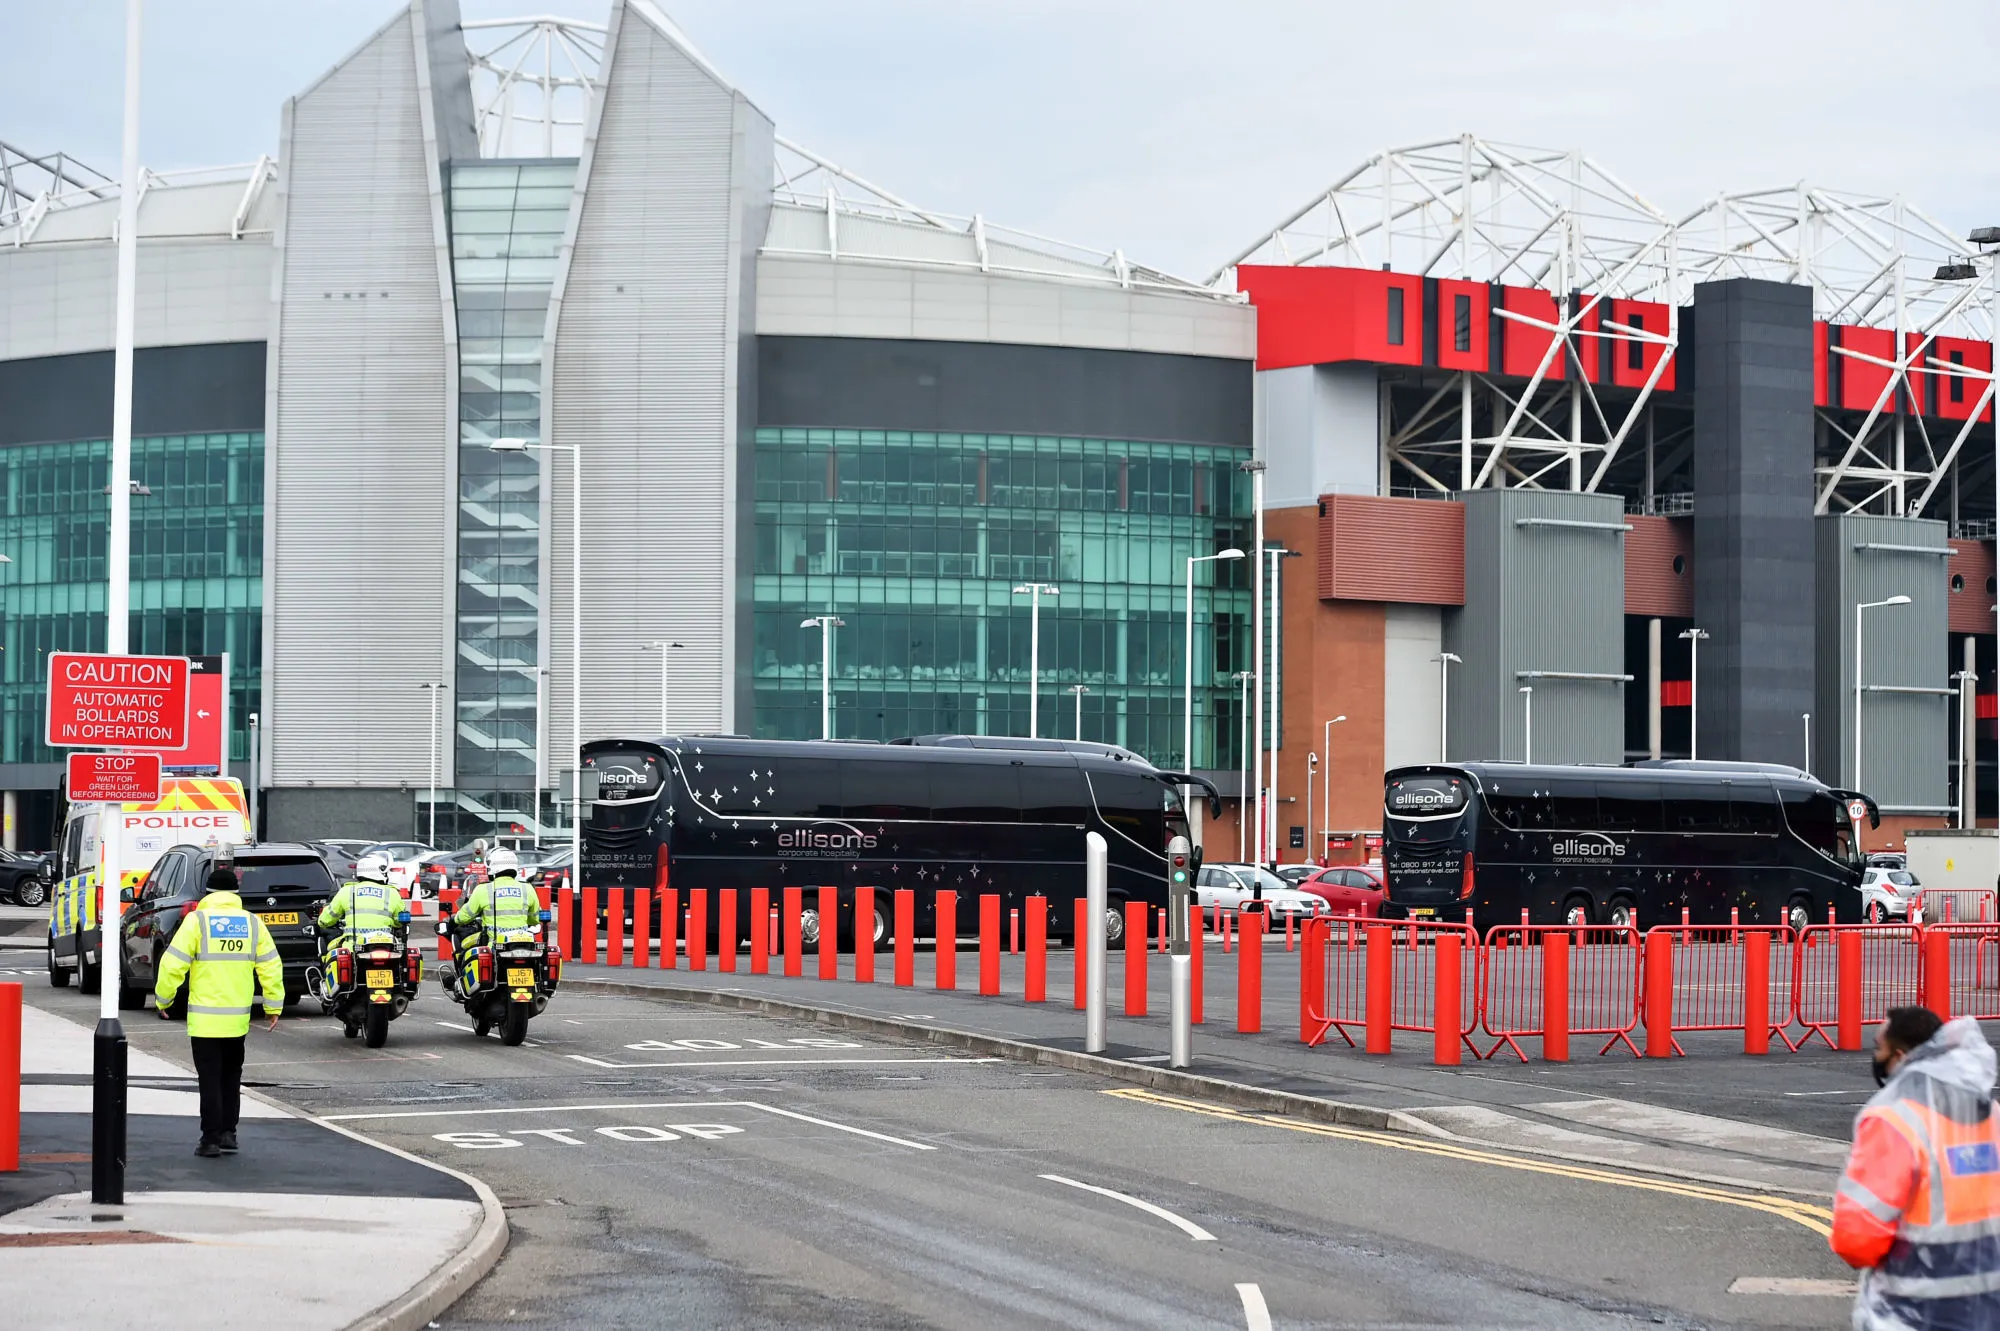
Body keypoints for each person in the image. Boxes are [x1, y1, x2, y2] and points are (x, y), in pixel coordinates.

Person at [1833, 1005, 2000, 1328]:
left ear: (1898, 1056)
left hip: (1917, 1307)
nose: (1876, 1057)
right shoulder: (1991, 1115)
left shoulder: (1894, 1119)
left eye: (1879, 1048)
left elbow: (1856, 1237)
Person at [154, 865, 285, 1158]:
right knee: (230, 1077)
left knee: (209, 1078)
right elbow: (271, 966)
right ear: (235, 893)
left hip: (204, 1020)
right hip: (237, 1020)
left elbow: (172, 964)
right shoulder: (252, 924)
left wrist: (163, 1000)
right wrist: (273, 1005)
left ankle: (210, 1139)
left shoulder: (197, 921)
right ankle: (229, 1134)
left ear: (208, 893)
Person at [445, 847, 541, 998]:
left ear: (492, 867)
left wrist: (453, 921)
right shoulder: (527, 888)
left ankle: (464, 986)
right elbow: (535, 918)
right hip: (524, 945)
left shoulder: (485, 889)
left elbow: (465, 915)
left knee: (466, 952)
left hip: (494, 946)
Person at [315, 853, 408, 978]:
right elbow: (399, 921)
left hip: (353, 948)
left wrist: (323, 920)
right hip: (386, 947)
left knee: (329, 955)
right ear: (378, 872)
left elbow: (326, 920)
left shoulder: (347, 891)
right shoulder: (391, 892)